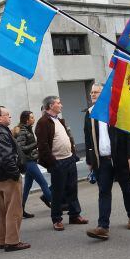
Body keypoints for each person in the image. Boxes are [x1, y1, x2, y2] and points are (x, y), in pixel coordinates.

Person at [85, 83, 130, 240]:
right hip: (102, 160)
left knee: (127, 189)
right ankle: (103, 226)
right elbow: (88, 138)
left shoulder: (116, 110)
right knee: (104, 192)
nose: (93, 95)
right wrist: (90, 159)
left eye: (96, 92)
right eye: (92, 93)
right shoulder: (89, 113)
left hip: (120, 158)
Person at [35, 96, 87, 231]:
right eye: (58, 103)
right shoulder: (43, 122)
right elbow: (43, 146)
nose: (61, 105)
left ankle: (75, 215)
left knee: (72, 189)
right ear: (51, 106)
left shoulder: (58, 120)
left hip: (69, 159)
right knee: (58, 192)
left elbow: (67, 137)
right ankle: (56, 219)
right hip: (58, 162)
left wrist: (73, 155)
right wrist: (53, 163)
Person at [0, 106, 29, 252]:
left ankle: (3, 240)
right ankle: (12, 242)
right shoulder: (1, 133)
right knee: (14, 210)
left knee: (3, 211)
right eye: (7, 115)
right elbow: (7, 158)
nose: (10, 117)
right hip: (8, 177)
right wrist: (15, 174)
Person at [13, 110, 52, 218]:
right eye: (32, 117)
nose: (34, 119)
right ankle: (57, 204)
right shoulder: (22, 131)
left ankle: (21, 210)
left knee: (27, 187)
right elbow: (20, 148)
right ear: (26, 120)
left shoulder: (27, 129)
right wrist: (36, 144)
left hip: (31, 160)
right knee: (43, 183)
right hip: (28, 162)